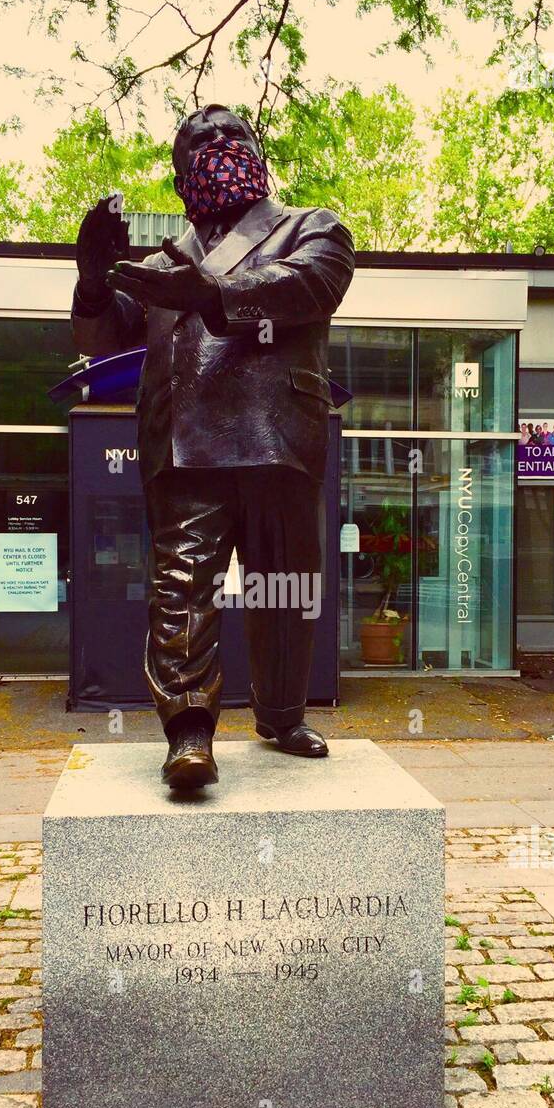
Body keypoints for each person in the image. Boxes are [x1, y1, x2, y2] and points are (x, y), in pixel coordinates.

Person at [71, 104, 356, 789]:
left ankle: (281, 716)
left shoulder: (310, 228)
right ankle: (189, 733)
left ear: (258, 154)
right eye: (201, 141)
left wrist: (212, 292)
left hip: (276, 436)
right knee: (180, 587)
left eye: (234, 134)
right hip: (184, 445)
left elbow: (309, 287)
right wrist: (90, 280)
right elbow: (105, 340)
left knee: (284, 586)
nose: (221, 144)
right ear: (179, 180)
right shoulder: (163, 263)